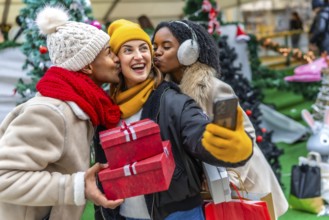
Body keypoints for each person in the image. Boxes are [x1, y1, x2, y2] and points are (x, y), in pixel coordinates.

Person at [93, 19, 253, 220]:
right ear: (116, 59)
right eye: (128, 50)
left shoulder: (173, 100)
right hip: (124, 215)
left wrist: (223, 144)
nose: (139, 55)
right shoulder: (106, 110)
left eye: (144, 48)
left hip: (177, 214)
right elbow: (103, 168)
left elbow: (196, 132)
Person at [152, 20, 288, 219]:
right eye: (155, 46)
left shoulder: (215, 88)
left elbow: (244, 135)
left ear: (188, 51)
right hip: (210, 185)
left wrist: (230, 176)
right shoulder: (165, 91)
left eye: (166, 46)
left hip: (241, 181)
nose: (157, 52)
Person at [0, 6, 124, 220]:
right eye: (108, 53)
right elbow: (4, 176)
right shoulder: (50, 112)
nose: (117, 59)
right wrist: (77, 186)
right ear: (87, 67)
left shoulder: (85, 107)